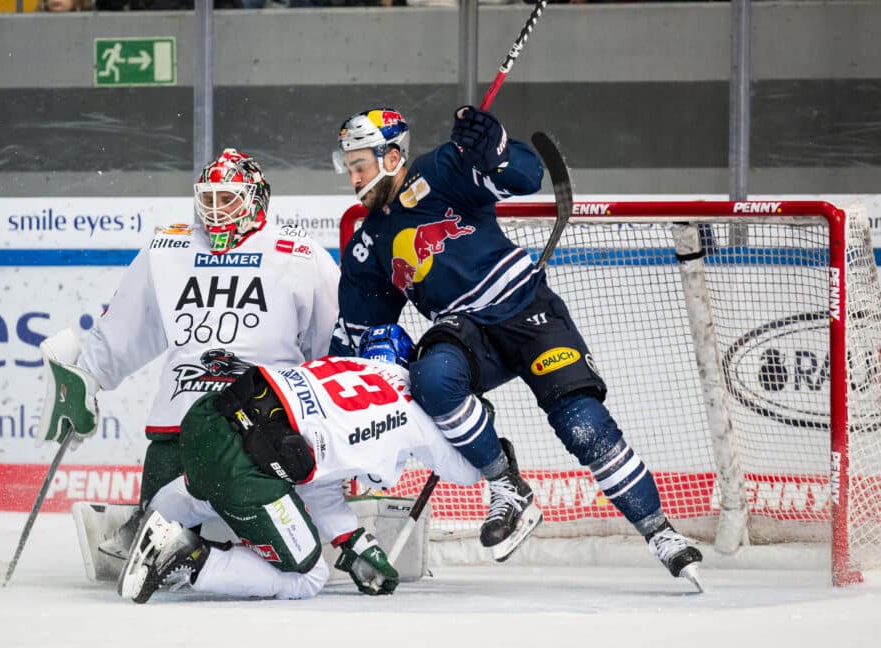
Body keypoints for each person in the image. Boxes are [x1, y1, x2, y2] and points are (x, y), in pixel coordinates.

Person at [328, 107, 703, 588]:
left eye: (360, 163)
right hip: (464, 329)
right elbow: (362, 335)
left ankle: (660, 533)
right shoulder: (367, 246)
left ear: (393, 155)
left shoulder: (439, 169)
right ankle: (507, 486)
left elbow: (525, 176)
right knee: (430, 379)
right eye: (348, 166)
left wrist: (495, 146)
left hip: (527, 310)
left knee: (583, 424)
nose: (353, 176)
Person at [36, 148, 340, 565]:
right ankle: (161, 532)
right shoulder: (168, 249)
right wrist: (88, 374)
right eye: (208, 199)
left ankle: (295, 533)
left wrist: (332, 415)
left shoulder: (300, 256)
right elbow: (129, 322)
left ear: (257, 199)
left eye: (228, 198)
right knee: (152, 539)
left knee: (282, 528)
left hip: (264, 416)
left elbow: (326, 342)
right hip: (179, 413)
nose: (215, 211)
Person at [114, 324, 491, 602]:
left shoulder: (341, 364)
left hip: (205, 418)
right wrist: (472, 417)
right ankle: (189, 556)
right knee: (309, 576)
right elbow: (469, 469)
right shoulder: (414, 407)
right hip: (242, 467)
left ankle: (147, 525)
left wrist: (350, 540)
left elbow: (320, 479)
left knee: (209, 488)